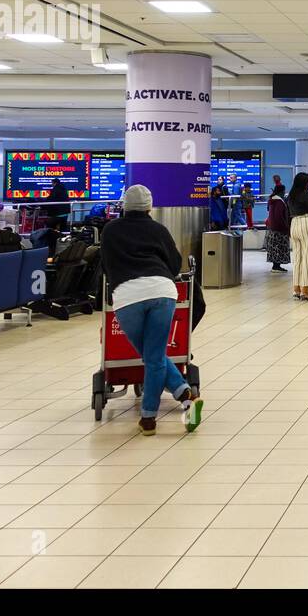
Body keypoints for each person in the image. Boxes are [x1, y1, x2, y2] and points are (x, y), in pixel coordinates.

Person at [100, 184, 202, 435]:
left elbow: (104, 264)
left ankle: (149, 417)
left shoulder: (110, 230)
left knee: (152, 357)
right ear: (149, 207)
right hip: (162, 291)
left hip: (127, 296)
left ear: (124, 205)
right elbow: (175, 263)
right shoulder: (158, 229)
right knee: (154, 355)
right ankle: (185, 394)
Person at [287, 173, 308, 301]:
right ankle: (305, 291)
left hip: (294, 224)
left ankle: (296, 289)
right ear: (304, 182)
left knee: (297, 258)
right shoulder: (306, 194)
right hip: (306, 223)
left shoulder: (291, 195)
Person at [264, 183, 290, 273]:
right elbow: (279, 216)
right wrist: (285, 227)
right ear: (281, 192)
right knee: (279, 247)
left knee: (275, 248)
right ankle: (276, 266)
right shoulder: (279, 202)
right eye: (283, 191)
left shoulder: (272, 200)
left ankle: (276, 265)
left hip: (272, 228)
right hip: (279, 229)